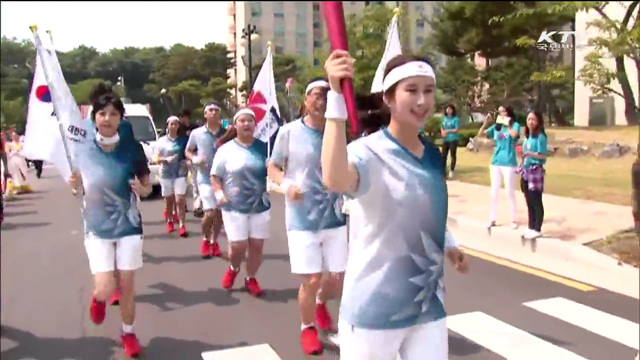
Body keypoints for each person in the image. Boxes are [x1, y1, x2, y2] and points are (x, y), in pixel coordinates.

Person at [321, 51, 469, 360]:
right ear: (388, 98)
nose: (422, 100)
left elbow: (426, 212)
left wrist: (450, 244)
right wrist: (335, 97)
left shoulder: (432, 155)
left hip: (427, 305)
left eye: (428, 90)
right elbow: (334, 179)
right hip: (373, 310)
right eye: (411, 90)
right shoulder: (367, 153)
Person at [68, 83, 151, 357]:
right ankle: (98, 298)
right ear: (94, 118)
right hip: (97, 226)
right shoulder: (82, 149)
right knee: (106, 288)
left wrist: (143, 189)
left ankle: (129, 333)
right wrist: (74, 183)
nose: (107, 118)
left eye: (113, 114)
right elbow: (77, 186)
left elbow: (147, 185)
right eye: (102, 113)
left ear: (120, 119)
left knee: (127, 285)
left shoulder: (131, 149)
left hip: (128, 224)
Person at [268, 78, 348, 356]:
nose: (323, 100)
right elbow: (274, 166)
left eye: (328, 95)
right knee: (312, 278)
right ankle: (307, 327)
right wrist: (286, 185)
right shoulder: (289, 132)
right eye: (317, 95)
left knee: (337, 277)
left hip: (335, 215)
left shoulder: (338, 132)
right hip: (302, 218)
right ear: (305, 100)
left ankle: (321, 303)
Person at [211, 108, 270, 296]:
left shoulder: (264, 148)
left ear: (255, 125)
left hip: (259, 204)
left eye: (250, 121)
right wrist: (219, 193)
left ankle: (250, 277)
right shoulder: (225, 149)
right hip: (234, 205)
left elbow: (276, 170)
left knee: (257, 245)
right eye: (242, 121)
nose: (246, 124)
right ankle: (233, 267)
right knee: (238, 246)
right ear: (235, 125)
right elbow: (215, 176)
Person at [185, 102, 226, 259]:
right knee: (209, 212)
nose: (214, 112)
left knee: (219, 214)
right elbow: (188, 151)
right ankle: (205, 239)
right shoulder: (197, 133)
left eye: (216, 110)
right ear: (205, 114)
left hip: (223, 178)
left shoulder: (226, 133)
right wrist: (195, 158)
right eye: (211, 110)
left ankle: (214, 242)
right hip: (204, 177)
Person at [477, 105, 521, 231]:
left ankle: (512, 219)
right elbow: (481, 134)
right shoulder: (496, 127)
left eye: (504, 112)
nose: (501, 114)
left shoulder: (515, 125)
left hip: (509, 162)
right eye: (500, 112)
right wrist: (486, 123)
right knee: (494, 192)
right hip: (496, 161)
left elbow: (514, 135)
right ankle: (492, 218)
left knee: (509, 192)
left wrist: (507, 124)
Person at [156, 116, 189, 237]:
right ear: (167, 126)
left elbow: (188, 154)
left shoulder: (183, 141)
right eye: (171, 124)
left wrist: (187, 162)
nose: (174, 126)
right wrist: (166, 159)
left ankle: (182, 224)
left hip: (180, 172)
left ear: (178, 126)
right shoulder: (161, 141)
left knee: (180, 199)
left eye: (176, 124)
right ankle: (170, 220)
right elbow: (156, 158)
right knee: (169, 200)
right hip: (166, 173)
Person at [519, 111, 548, 240]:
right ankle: (531, 226)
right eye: (529, 119)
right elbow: (525, 154)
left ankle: (537, 228)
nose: (530, 122)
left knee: (536, 200)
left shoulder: (540, 137)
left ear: (538, 122)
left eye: (533, 119)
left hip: (535, 170)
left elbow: (543, 155)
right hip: (525, 170)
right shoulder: (527, 137)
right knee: (528, 200)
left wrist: (531, 154)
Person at [441, 104, 460, 178]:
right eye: (447, 109)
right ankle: (443, 170)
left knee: (452, 155)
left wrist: (448, 131)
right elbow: (442, 126)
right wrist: (442, 132)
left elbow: (456, 129)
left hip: (453, 139)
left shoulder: (456, 119)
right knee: (443, 155)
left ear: (453, 110)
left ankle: (451, 170)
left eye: (450, 109)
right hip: (445, 139)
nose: (448, 110)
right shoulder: (445, 118)